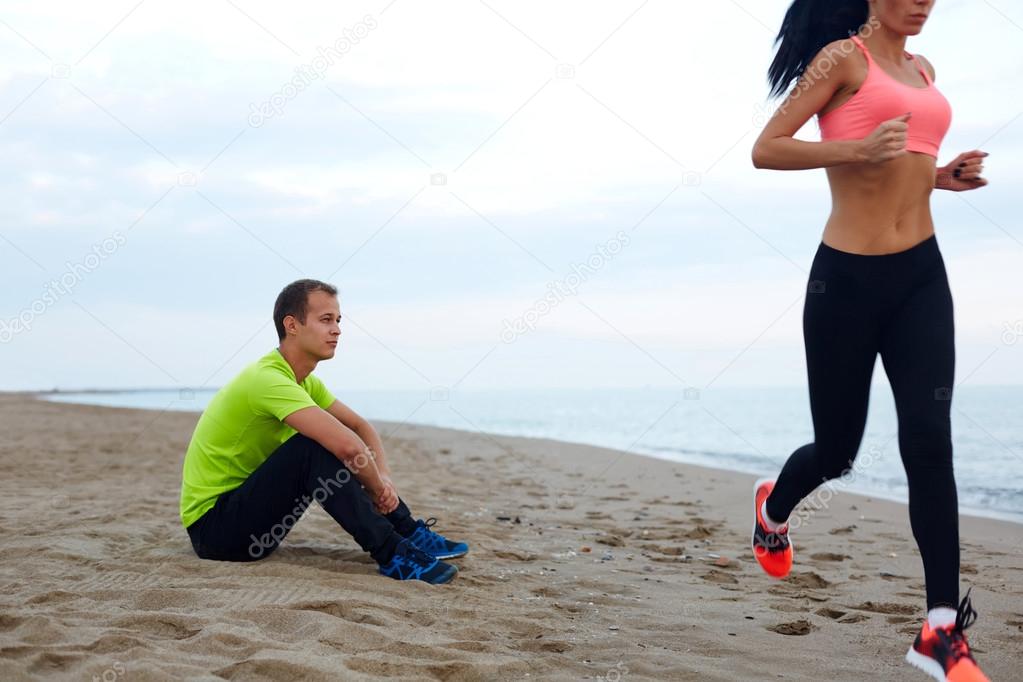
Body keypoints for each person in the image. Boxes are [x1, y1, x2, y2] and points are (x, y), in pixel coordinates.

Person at [749, 1, 989, 680]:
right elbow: (766, 148)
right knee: (836, 451)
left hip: (921, 276)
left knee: (926, 439)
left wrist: (942, 178)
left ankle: (941, 630)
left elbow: (903, 167)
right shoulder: (838, 59)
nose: (921, 4)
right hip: (845, 281)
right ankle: (773, 508)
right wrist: (855, 147)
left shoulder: (921, 68)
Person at [179, 278, 467, 584]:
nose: (337, 330)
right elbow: (349, 447)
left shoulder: (302, 381)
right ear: (292, 325)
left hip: (252, 526)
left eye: (339, 320)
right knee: (315, 448)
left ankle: (407, 532)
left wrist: (383, 477)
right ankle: (393, 553)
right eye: (326, 320)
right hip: (216, 533)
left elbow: (360, 426)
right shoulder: (267, 380)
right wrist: (376, 489)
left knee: (329, 446)